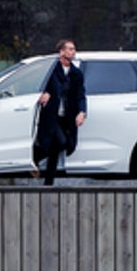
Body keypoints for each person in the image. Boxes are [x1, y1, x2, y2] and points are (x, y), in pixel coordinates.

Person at [32, 42, 87, 185]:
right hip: (51, 115)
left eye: (74, 49)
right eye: (69, 49)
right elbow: (37, 85)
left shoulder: (76, 74)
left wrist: (82, 112)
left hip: (67, 117)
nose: (73, 52)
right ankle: (34, 157)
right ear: (61, 52)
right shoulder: (50, 70)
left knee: (56, 147)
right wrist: (42, 94)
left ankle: (48, 181)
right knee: (60, 142)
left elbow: (81, 95)